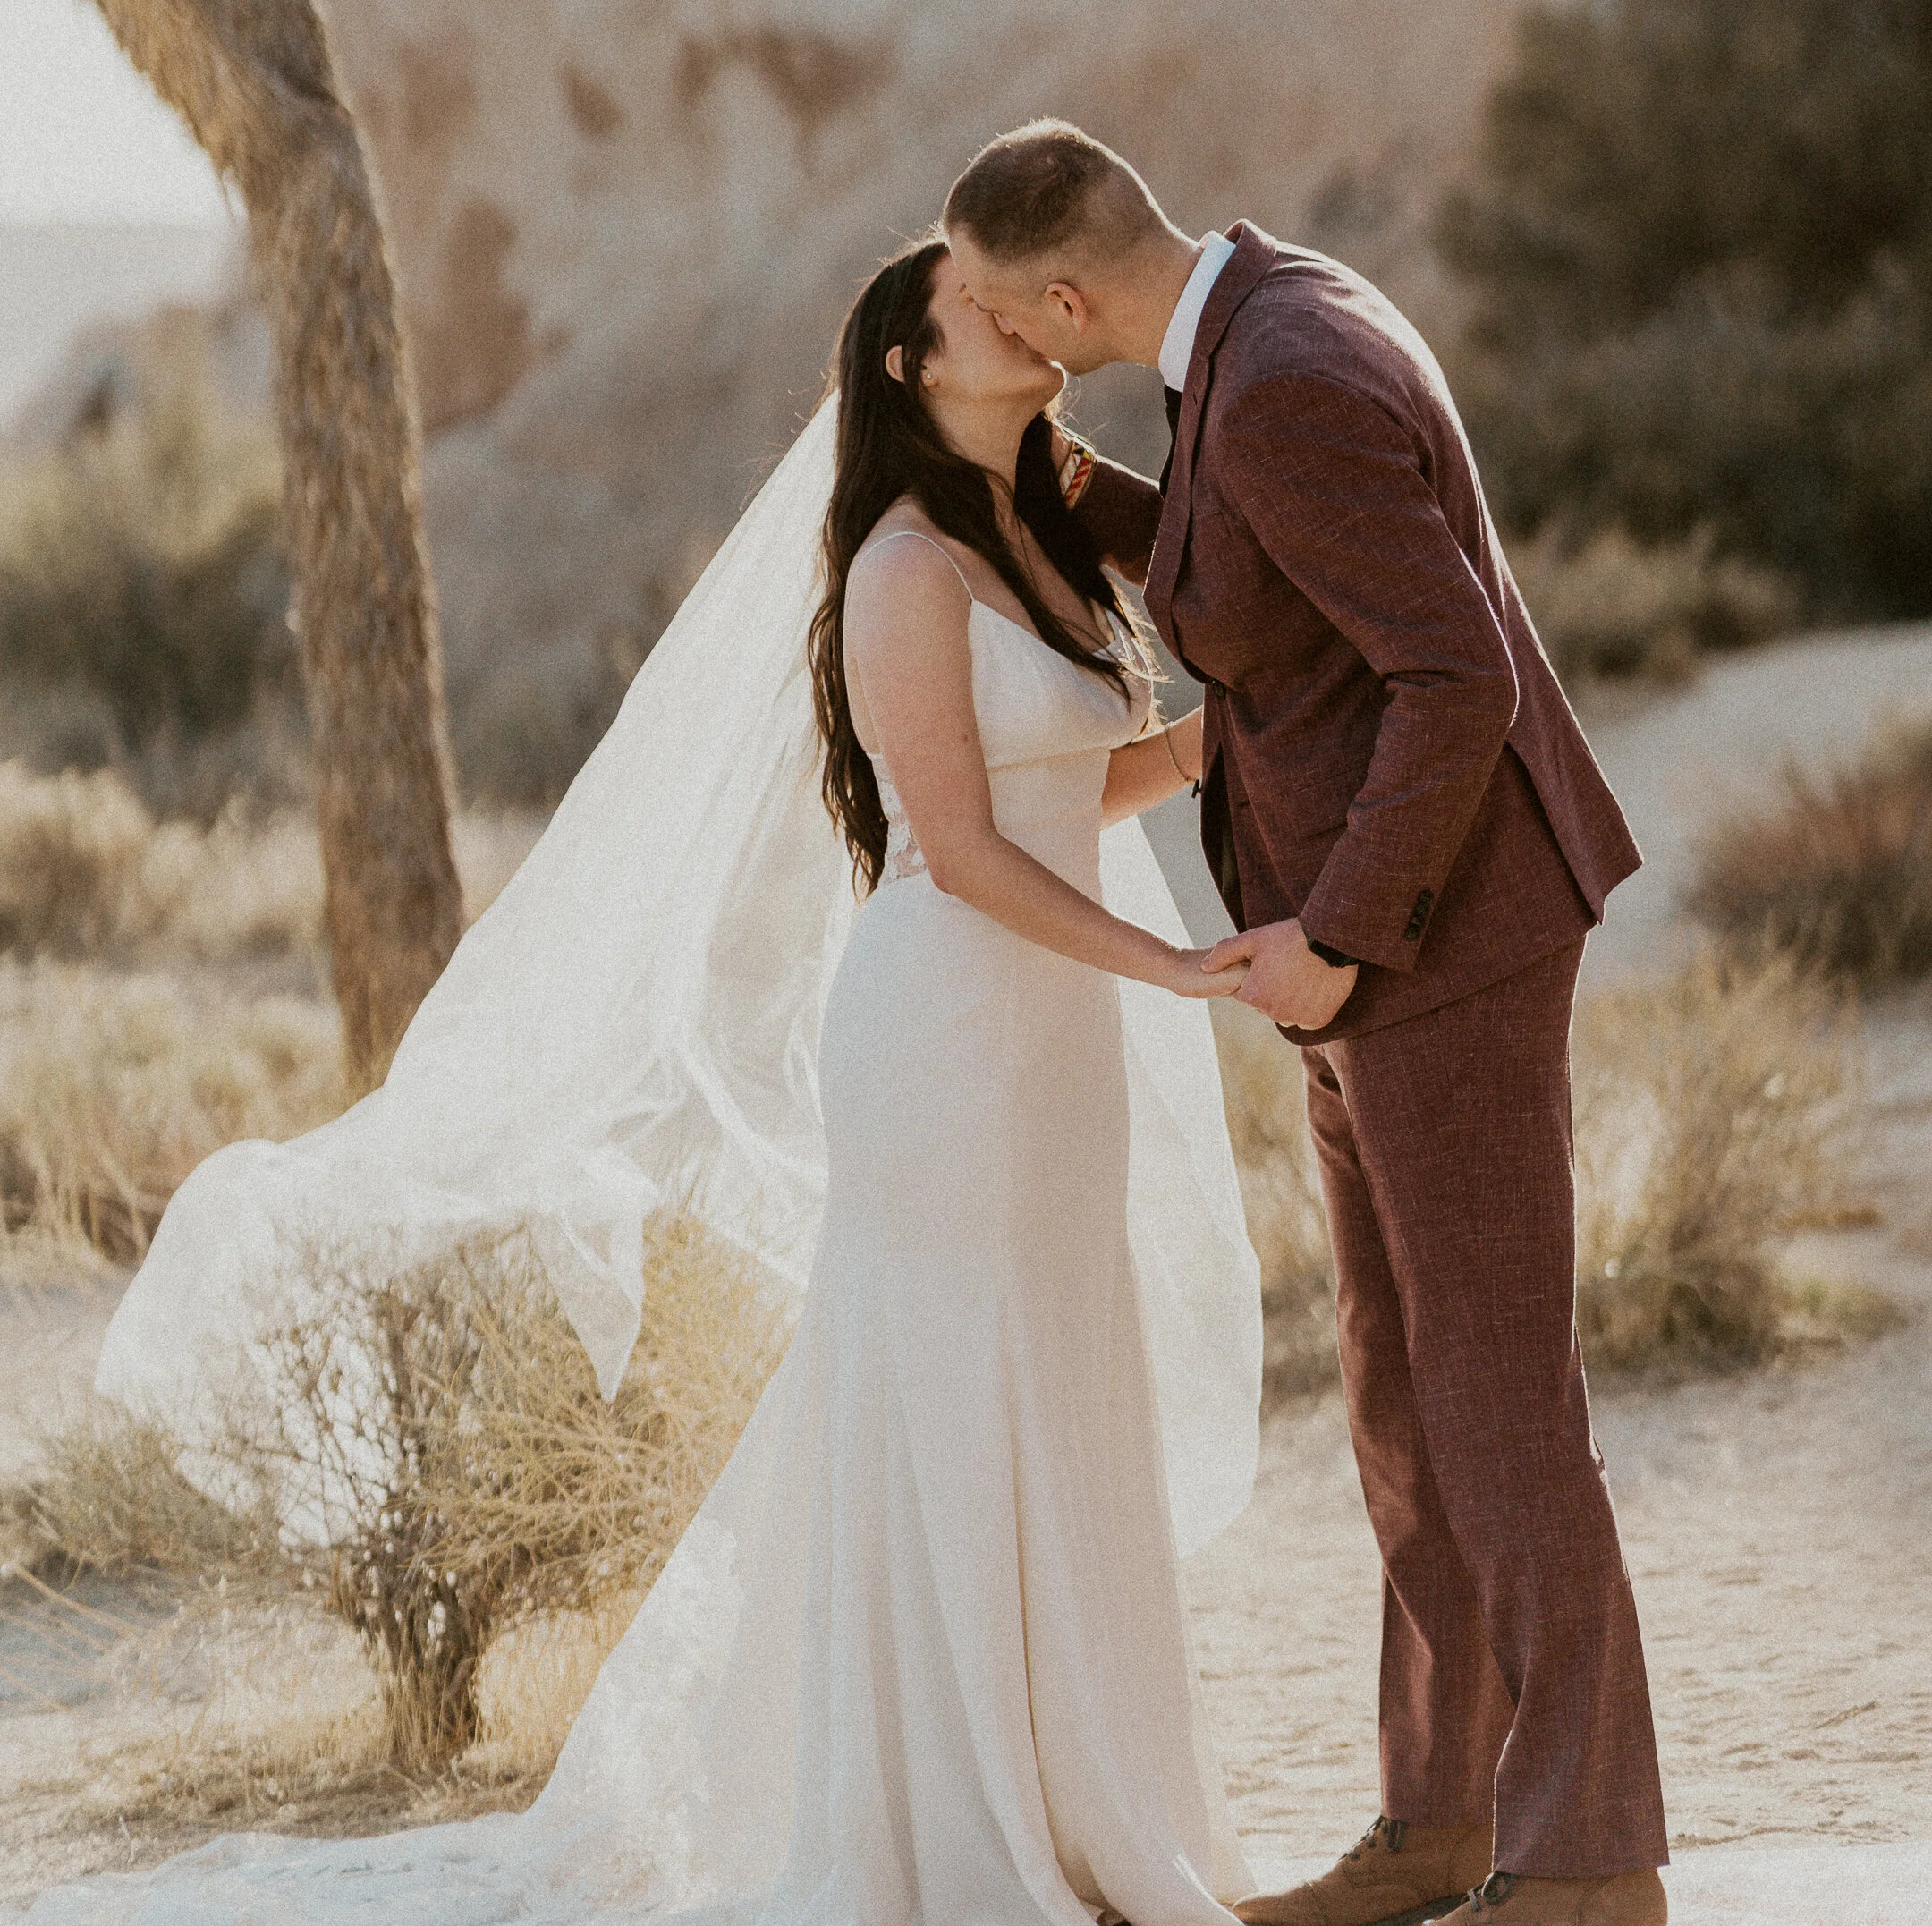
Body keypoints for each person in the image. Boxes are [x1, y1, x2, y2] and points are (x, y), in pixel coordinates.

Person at [30, 238, 1264, 1926]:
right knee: (953, 1393)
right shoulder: (903, 571)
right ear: (906, 368)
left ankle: (1081, 1807)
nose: (1020, 318)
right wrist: (1185, 967)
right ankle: (949, 1821)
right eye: (976, 308)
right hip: (952, 1031)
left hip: (1051, 1038)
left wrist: (1213, 741)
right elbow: (962, 851)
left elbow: (1059, 794)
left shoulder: (1028, 539)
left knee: (1058, 1373)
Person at [945, 122, 1669, 1926]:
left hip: (1441, 945)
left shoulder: (1278, 379)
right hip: (1371, 953)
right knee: (1405, 1403)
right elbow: (1249, 587)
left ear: (1057, 297)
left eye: (982, 302)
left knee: (1498, 1410)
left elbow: (1454, 672)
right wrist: (1034, 469)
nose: (982, 324)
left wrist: (1343, 938)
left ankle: (1589, 1868)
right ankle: (1441, 1824)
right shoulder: (1252, 328)